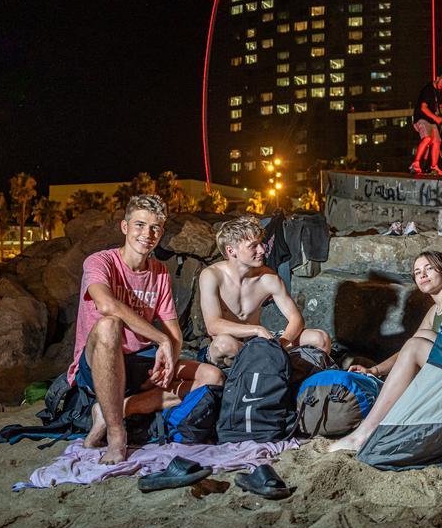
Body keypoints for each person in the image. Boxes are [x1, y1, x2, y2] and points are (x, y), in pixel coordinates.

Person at [72, 194, 224, 465]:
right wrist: (160, 339)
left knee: (212, 376)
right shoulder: (99, 262)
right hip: (98, 361)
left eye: (155, 227)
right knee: (109, 325)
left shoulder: (160, 272)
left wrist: (168, 364)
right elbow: (107, 305)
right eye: (140, 225)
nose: (147, 233)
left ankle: (112, 411)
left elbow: (173, 333)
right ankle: (117, 434)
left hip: (140, 363)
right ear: (125, 227)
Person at [329, 251, 442, 453]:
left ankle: (363, 434)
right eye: (417, 272)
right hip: (440, 371)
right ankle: (373, 428)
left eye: (429, 268)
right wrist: (375, 370)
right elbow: (408, 350)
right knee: (415, 340)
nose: (422, 275)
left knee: (418, 341)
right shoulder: (434, 311)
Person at [198, 216, 331, 366]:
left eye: (261, 243)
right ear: (231, 251)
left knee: (320, 338)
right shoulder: (212, 275)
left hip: (257, 343)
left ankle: (297, 383)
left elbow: (296, 319)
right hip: (228, 344)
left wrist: (279, 345)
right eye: (253, 246)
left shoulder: (269, 278)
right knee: (225, 344)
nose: (262, 250)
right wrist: (257, 330)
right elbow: (213, 325)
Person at [410, 72, 442, 175]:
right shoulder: (428, 89)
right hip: (422, 119)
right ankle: (415, 163)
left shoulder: (436, 91)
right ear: (437, 78)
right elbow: (423, 108)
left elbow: (433, 107)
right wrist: (436, 118)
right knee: (427, 138)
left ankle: (434, 166)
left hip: (431, 121)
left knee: (437, 141)